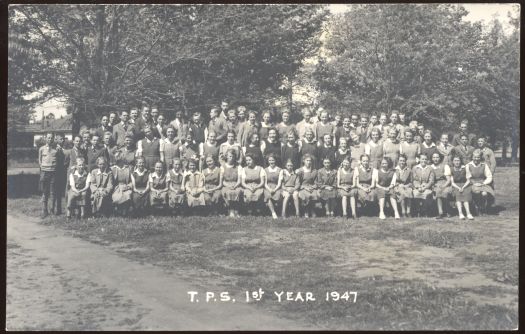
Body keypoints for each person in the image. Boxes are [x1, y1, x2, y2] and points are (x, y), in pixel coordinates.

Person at [466, 150, 494, 215]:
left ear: (480, 158)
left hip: (482, 183)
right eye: (475, 157)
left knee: (484, 194)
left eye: (478, 157)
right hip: (472, 183)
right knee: (477, 192)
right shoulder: (468, 165)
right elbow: (467, 177)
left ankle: (483, 207)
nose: (476, 159)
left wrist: (483, 183)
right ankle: (476, 207)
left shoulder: (484, 165)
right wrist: (473, 183)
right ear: (472, 157)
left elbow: (489, 176)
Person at [39, 132, 57, 218]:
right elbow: (39, 160)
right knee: (44, 191)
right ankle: (44, 210)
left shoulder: (55, 150)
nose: (50, 139)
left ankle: (52, 210)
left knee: (52, 192)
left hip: (53, 172)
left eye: (51, 138)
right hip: (44, 172)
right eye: (48, 138)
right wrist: (42, 168)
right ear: (46, 138)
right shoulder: (41, 149)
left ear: (53, 139)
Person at [221, 149, 243, 218]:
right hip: (226, 184)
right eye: (229, 156)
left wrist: (235, 186)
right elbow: (222, 181)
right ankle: (230, 210)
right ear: (226, 157)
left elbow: (239, 180)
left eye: (232, 156)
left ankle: (236, 210)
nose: (231, 158)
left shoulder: (238, 167)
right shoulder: (223, 167)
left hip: (236, 184)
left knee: (237, 191)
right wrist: (228, 186)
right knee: (227, 192)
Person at [411, 153, 435, 217]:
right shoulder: (415, 168)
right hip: (418, 187)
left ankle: (425, 211)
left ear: (427, 160)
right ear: (419, 159)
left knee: (427, 194)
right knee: (416, 193)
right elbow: (414, 179)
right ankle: (418, 211)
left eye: (425, 159)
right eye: (422, 159)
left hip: (427, 187)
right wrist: (418, 187)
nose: (424, 161)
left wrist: (425, 187)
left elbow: (431, 180)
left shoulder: (430, 168)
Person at [450, 156, 474, 220]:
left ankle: (468, 213)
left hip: (465, 184)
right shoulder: (451, 169)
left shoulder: (465, 168)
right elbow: (452, 182)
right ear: (453, 161)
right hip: (455, 185)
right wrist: (458, 187)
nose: (457, 162)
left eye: (458, 160)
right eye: (455, 160)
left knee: (465, 194)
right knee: (458, 194)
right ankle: (460, 213)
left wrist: (463, 187)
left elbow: (468, 180)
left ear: (460, 161)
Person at [111, 151, 133, 216]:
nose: (118, 160)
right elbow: (111, 181)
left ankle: (125, 210)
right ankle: (118, 210)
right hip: (116, 187)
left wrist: (129, 186)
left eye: (120, 159)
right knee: (116, 196)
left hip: (126, 186)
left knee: (127, 194)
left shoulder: (128, 168)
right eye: (116, 159)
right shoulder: (113, 169)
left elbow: (132, 180)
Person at [431, 152, 452, 218]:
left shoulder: (445, 166)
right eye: (434, 157)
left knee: (445, 192)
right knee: (438, 191)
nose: (435, 159)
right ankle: (440, 212)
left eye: (437, 157)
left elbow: (448, 180)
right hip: (435, 184)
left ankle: (448, 211)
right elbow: (431, 180)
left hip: (445, 183)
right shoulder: (430, 167)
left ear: (440, 158)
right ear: (432, 159)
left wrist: (444, 186)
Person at [264, 154, 282, 219]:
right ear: (268, 161)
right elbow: (265, 183)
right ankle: (273, 212)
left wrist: (275, 189)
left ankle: (277, 210)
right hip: (268, 187)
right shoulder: (265, 170)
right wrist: (269, 189)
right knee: (268, 195)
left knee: (278, 195)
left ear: (275, 161)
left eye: (273, 160)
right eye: (270, 160)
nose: (271, 162)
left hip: (277, 186)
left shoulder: (280, 170)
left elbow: (279, 183)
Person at [53, 133, 67, 215]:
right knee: (56, 191)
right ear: (56, 140)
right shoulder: (54, 149)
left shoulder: (64, 149)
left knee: (62, 191)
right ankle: (56, 209)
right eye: (61, 139)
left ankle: (63, 209)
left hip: (63, 172)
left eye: (63, 139)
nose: (62, 140)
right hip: (55, 172)